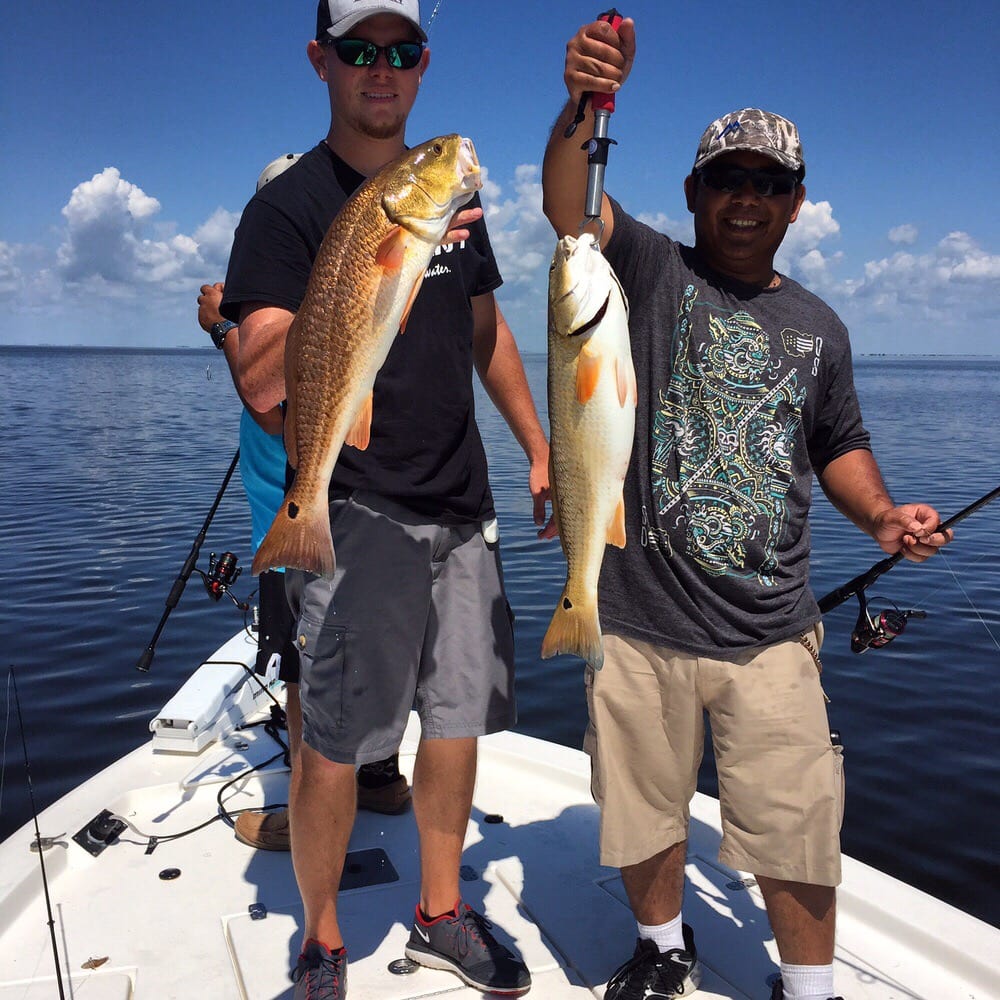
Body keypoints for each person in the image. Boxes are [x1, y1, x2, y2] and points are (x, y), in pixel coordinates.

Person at [541, 17, 953, 1000]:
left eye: (768, 184)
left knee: (796, 820)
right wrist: (584, 105)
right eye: (727, 179)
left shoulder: (820, 326)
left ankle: (807, 988)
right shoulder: (642, 269)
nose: (745, 199)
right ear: (693, 194)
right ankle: (658, 946)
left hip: (770, 628)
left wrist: (884, 516)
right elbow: (569, 207)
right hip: (635, 614)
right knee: (640, 808)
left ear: (797, 203)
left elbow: (838, 442)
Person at [219, 2, 550, 997]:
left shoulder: (451, 205)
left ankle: (441, 910)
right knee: (333, 739)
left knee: (454, 724)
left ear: (422, 63)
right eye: (359, 49)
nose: (381, 69)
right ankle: (319, 942)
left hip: (463, 502)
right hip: (354, 505)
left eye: (400, 51)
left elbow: (484, 332)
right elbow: (261, 380)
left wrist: (538, 445)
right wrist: (358, 266)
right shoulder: (286, 210)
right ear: (322, 60)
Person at [197, 267, 411, 856]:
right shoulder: (355, 289)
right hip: (370, 514)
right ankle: (379, 779)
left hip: (296, 517)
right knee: (364, 647)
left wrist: (223, 329)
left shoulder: (294, 303)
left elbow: (269, 404)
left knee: (302, 670)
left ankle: (303, 812)